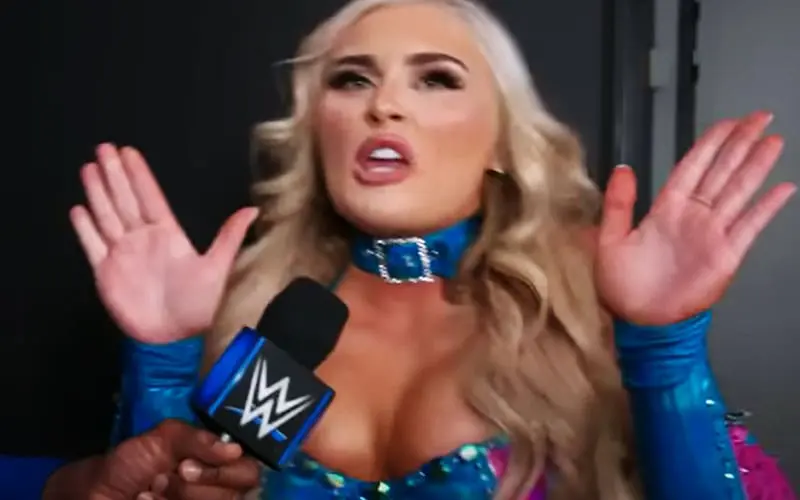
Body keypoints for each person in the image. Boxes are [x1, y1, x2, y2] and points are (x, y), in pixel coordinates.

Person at [59, 0, 796, 498]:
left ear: (503, 144)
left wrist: (666, 348)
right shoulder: (274, 326)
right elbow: (172, 487)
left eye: (436, 79)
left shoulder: (585, 309)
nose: (384, 105)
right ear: (317, 133)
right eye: (352, 80)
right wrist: (161, 359)